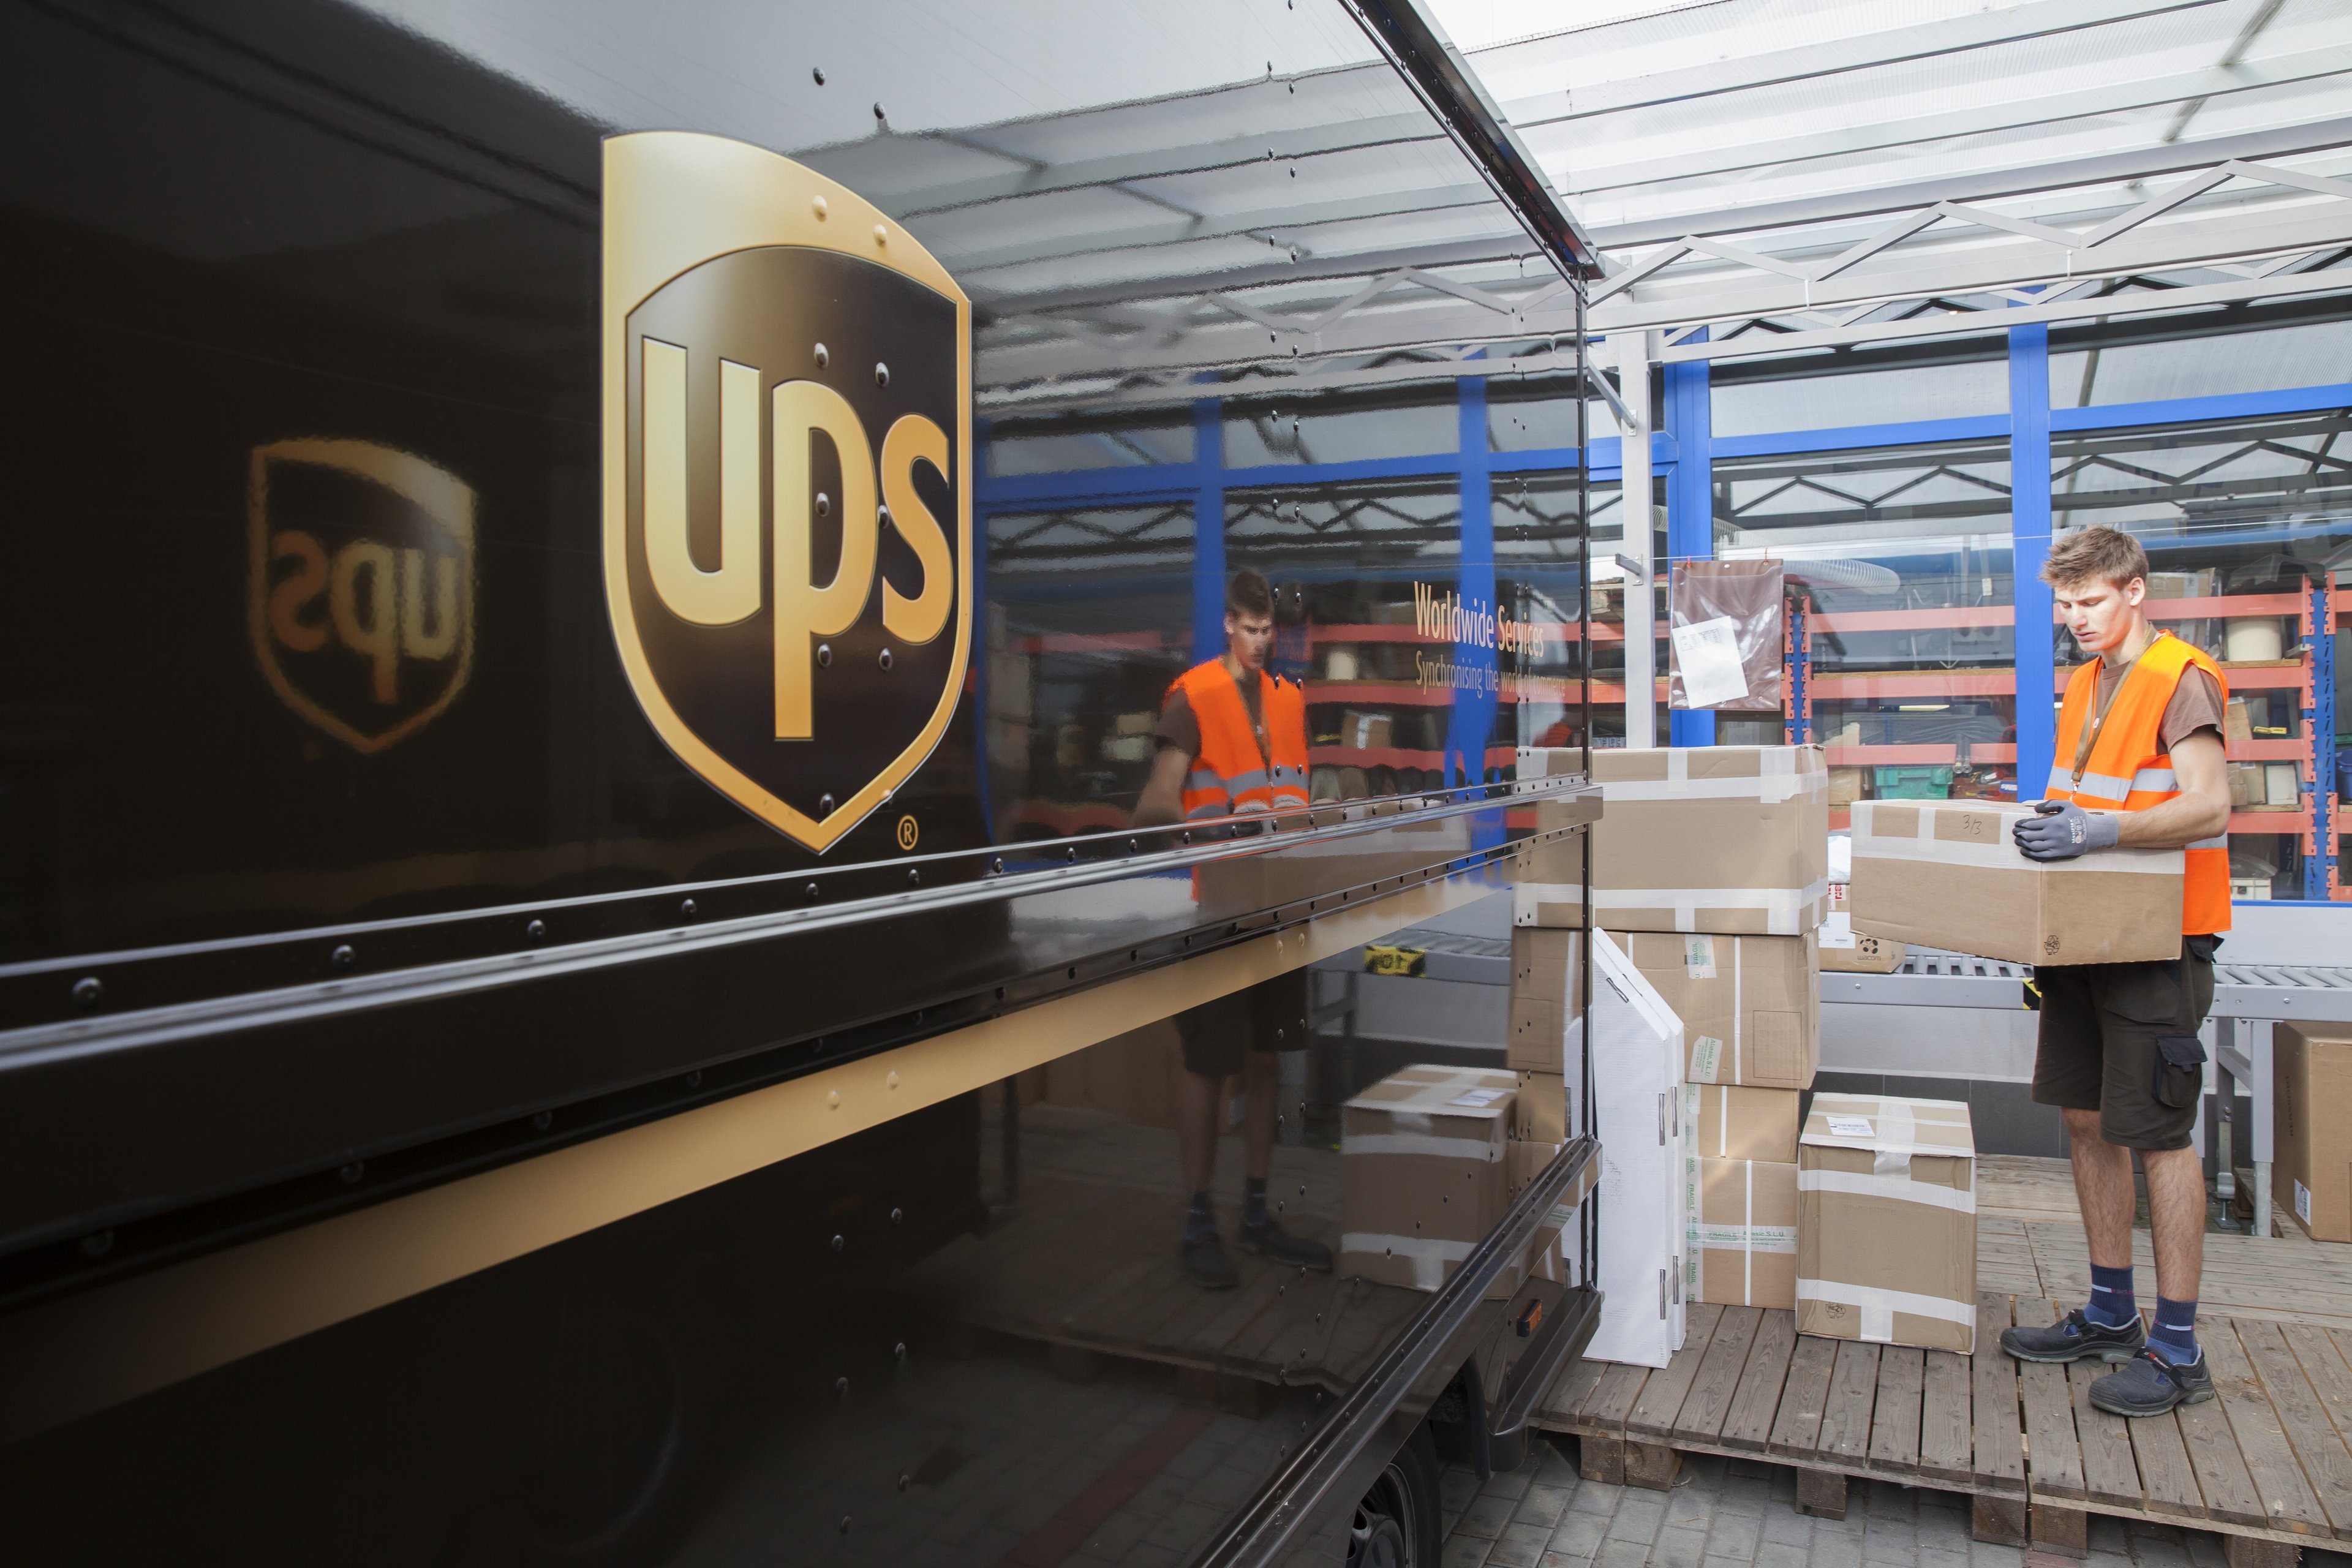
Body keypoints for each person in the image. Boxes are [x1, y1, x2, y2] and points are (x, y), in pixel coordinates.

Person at [1997, 526, 2232, 1417]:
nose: (2074, 620)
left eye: (2089, 602)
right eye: (2063, 604)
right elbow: (2087, 790)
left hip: (2162, 945)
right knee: (2088, 1118)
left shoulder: (2184, 677)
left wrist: (2096, 832)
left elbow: (2210, 805)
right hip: (2087, 940)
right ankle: (2109, 1313)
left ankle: (2178, 1353)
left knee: (2161, 1136)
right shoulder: (2086, 681)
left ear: (2135, 590)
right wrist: (2050, 828)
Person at [1134, 568, 1330, 1288]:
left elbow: (1294, 794)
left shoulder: (1289, 699)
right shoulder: (1194, 696)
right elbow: (1159, 795)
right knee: (1208, 1063)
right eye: (1247, 627)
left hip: (1278, 905)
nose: (1259, 639)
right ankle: (1197, 1218)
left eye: (1268, 628)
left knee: (1266, 1056)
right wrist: (1179, 827)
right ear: (1226, 624)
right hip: (1216, 909)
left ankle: (1253, 1211)